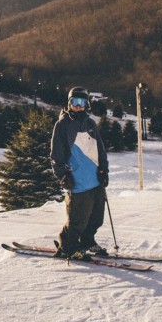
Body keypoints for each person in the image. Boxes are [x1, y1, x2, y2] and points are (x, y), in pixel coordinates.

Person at [50, 86, 110, 259]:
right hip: (78, 181)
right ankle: (68, 246)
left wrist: (104, 171)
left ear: (87, 105)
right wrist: (63, 175)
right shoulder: (62, 125)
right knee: (77, 220)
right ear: (69, 104)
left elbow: (100, 150)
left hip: (95, 179)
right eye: (74, 102)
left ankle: (87, 241)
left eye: (82, 102)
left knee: (96, 218)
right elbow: (56, 154)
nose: (78, 106)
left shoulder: (90, 124)